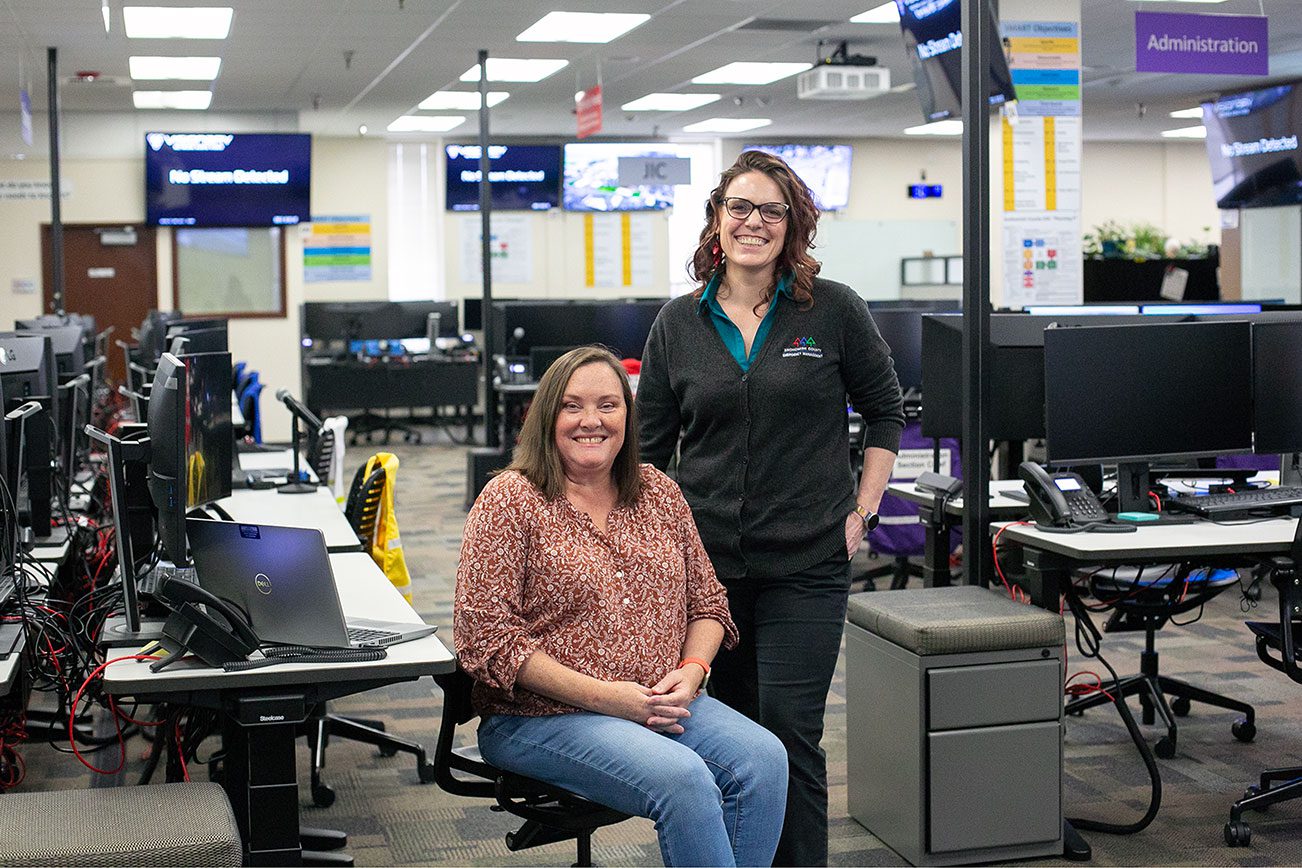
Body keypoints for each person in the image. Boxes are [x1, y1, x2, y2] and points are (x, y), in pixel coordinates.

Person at [637, 150, 906, 866]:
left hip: (807, 564)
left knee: (790, 733)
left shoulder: (834, 310)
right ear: (717, 221)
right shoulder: (676, 324)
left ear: (794, 225)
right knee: (733, 738)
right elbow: (649, 455)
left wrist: (866, 510)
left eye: (772, 210)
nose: (754, 222)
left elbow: (885, 413)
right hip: (710, 575)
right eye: (740, 208)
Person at [455, 345, 789, 868]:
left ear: (628, 418)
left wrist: (694, 669)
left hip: (660, 701)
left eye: (608, 405)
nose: (592, 421)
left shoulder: (658, 491)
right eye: (572, 406)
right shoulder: (509, 500)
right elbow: (487, 642)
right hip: (540, 717)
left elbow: (708, 602)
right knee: (684, 781)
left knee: (765, 760)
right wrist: (610, 699)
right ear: (547, 417)